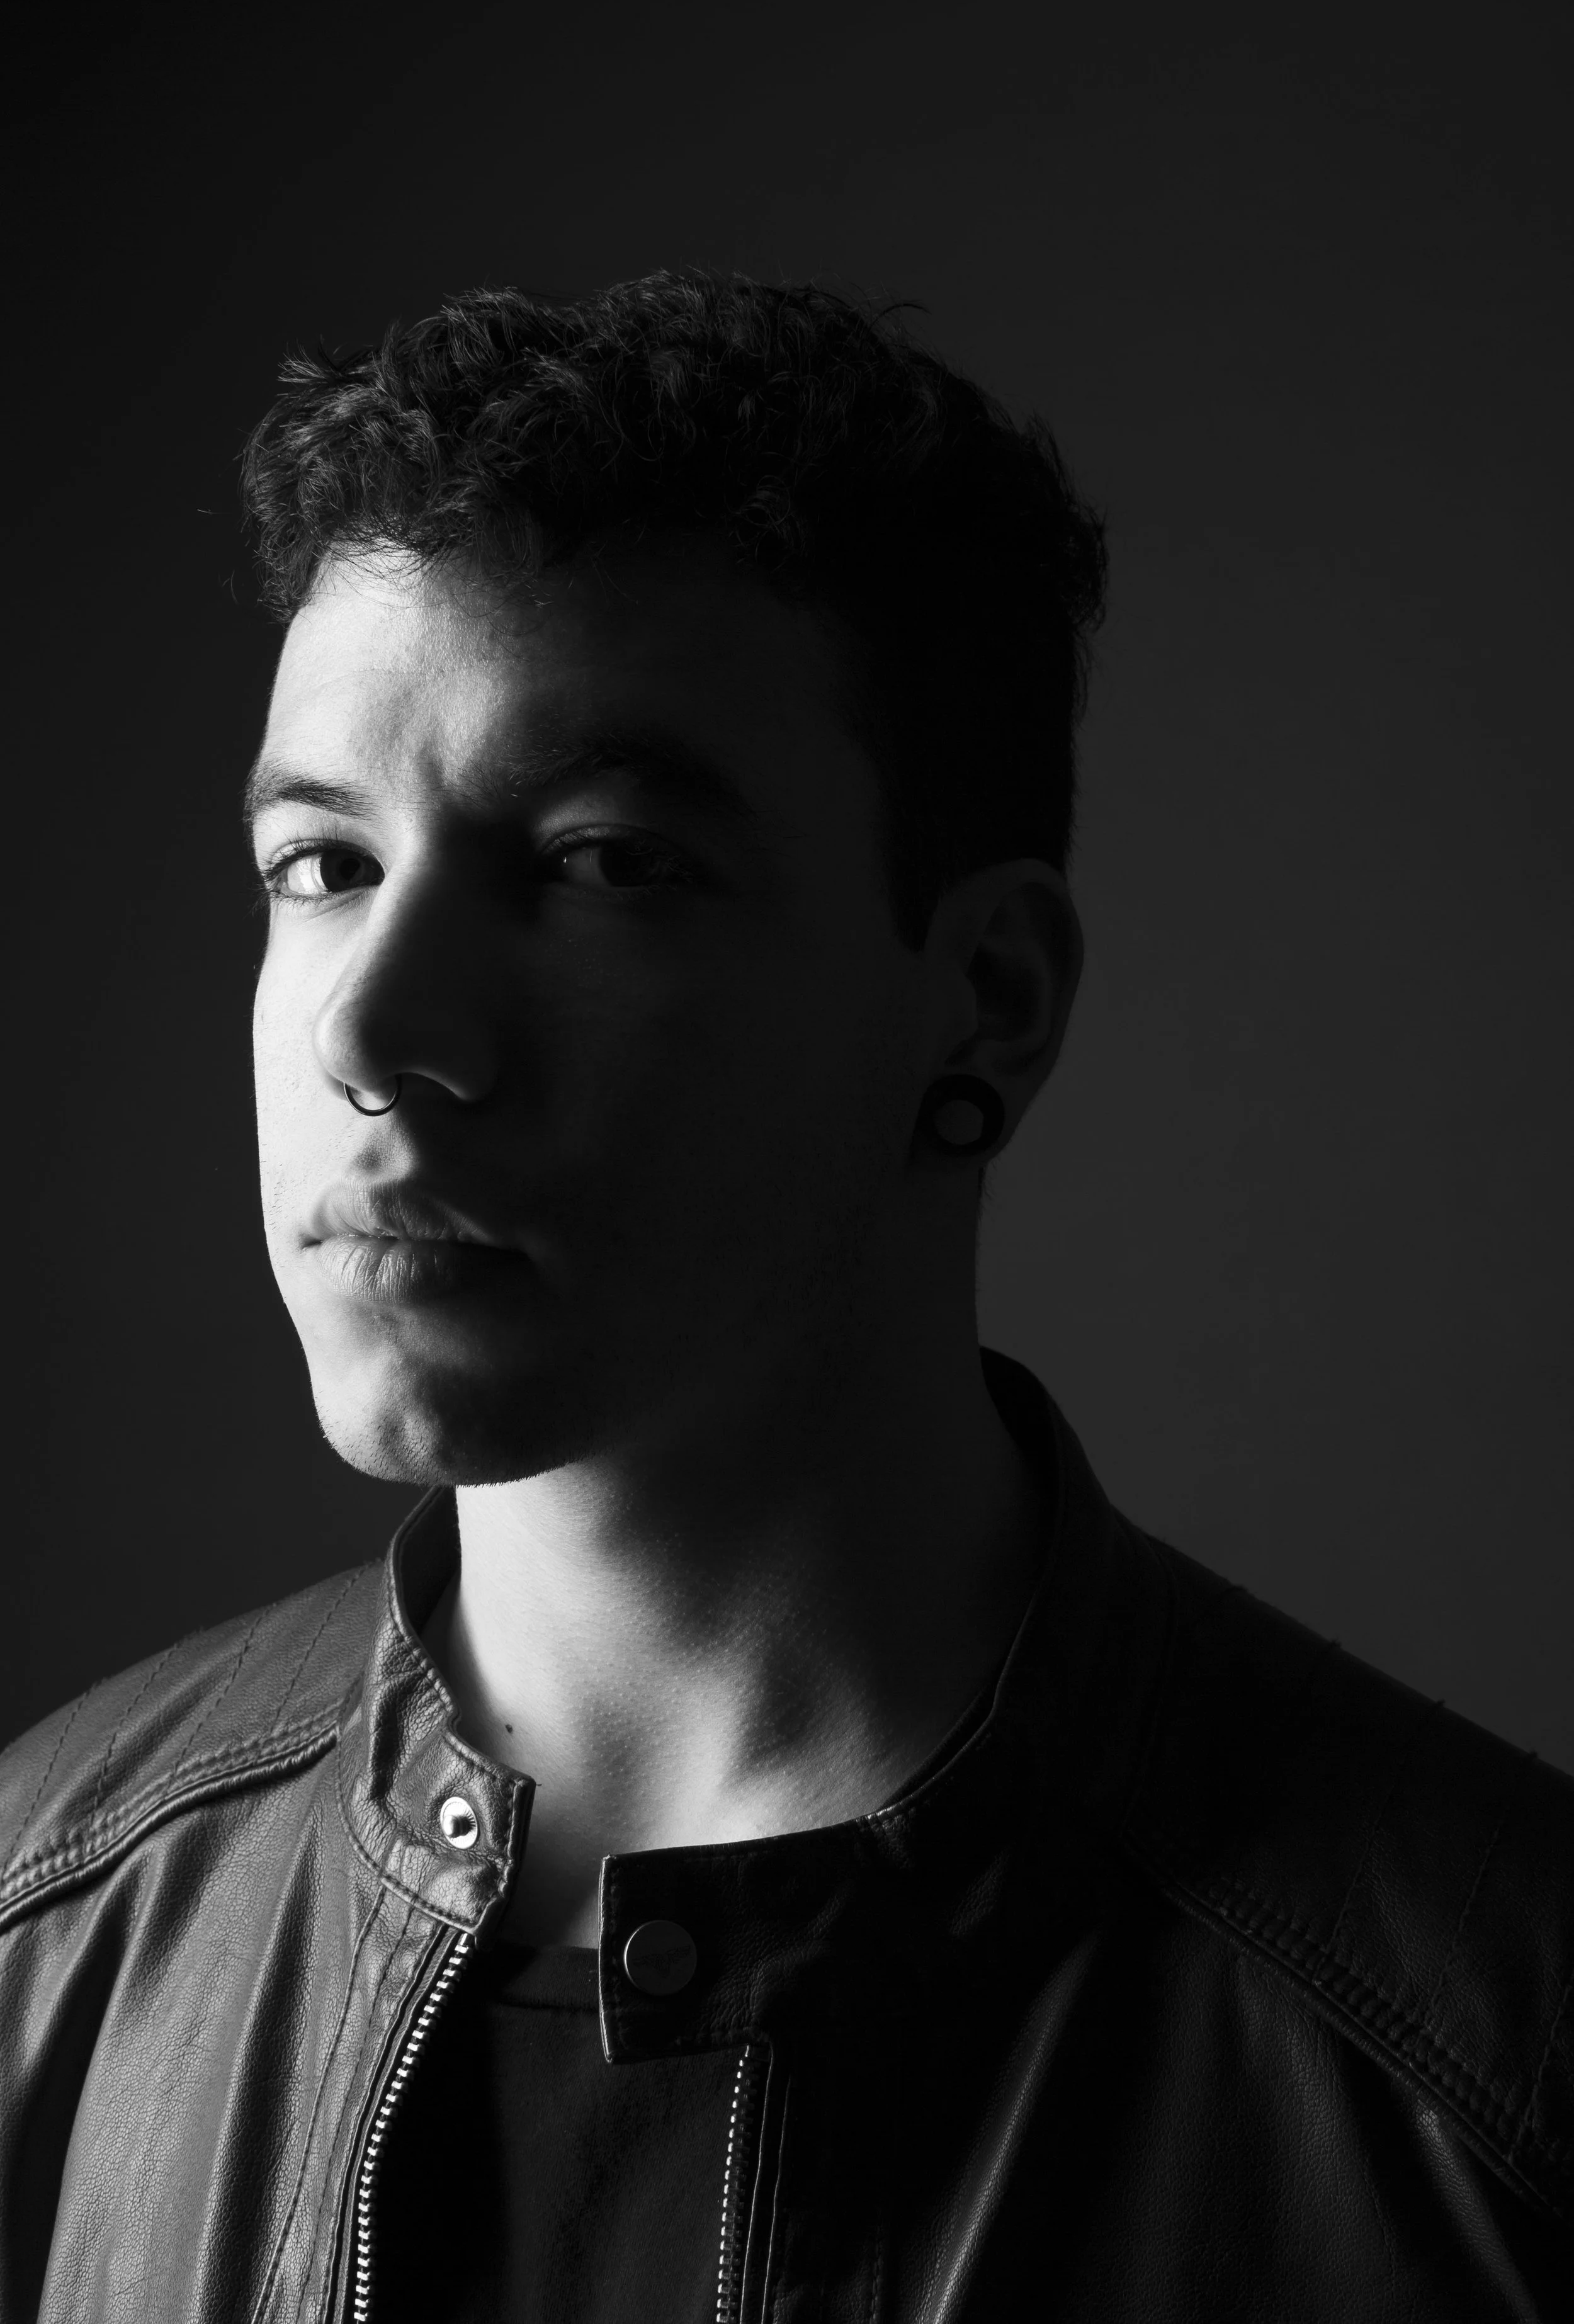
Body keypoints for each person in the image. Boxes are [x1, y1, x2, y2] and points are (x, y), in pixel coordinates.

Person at [0, 271, 1568, 2323]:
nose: (379, 1029)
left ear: (983, 1003)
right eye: (322, 863)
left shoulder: (1491, 2077)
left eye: (603, 861)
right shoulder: (48, 1935)